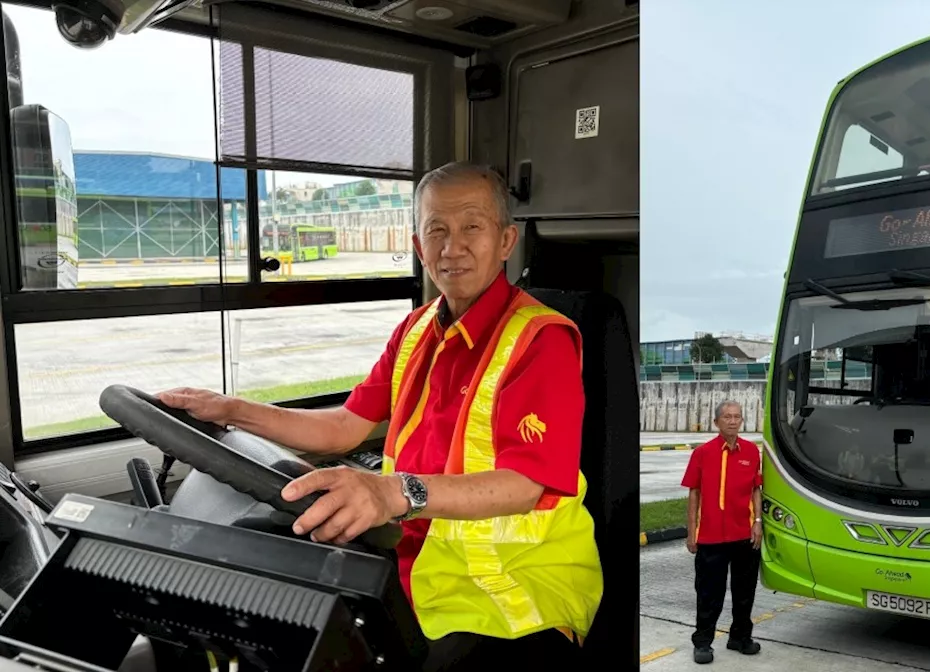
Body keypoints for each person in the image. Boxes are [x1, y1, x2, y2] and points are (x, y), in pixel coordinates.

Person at [155, 161, 602, 670]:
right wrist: (232, 409)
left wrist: (392, 493)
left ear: (505, 241)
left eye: (471, 227)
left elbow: (527, 484)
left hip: (515, 595)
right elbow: (343, 427)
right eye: (437, 230)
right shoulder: (414, 330)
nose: (452, 247)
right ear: (418, 246)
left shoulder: (543, 339)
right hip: (415, 567)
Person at [680, 400, 763, 665]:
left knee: (744, 591)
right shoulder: (703, 453)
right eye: (727, 416)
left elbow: (756, 490)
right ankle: (703, 642)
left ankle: (740, 637)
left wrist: (758, 521)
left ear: (742, 421)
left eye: (737, 416)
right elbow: (694, 492)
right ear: (716, 422)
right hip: (711, 538)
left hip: (744, 535)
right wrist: (691, 531)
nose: (732, 421)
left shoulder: (752, 451)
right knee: (708, 594)